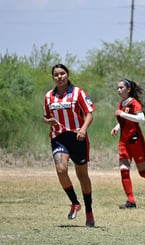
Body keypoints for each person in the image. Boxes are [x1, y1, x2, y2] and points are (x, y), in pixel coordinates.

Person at [43, 64, 96, 227]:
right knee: (61, 170)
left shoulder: (78, 92)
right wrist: (48, 121)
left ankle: (89, 210)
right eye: (56, 75)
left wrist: (83, 129)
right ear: (53, 78)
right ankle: (74, 202)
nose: (59, 77)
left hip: (78, 138)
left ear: (67, 74)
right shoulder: (48, 96)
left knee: (82, 176)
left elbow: (89, 113)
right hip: (59, 137)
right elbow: (46, 116)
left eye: (62, 73)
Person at [110, 79, 145, 209]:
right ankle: (131, 201)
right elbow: (124, 120)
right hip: (124, 142)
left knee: (142, 172)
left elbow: (141, 119)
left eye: (121, 88)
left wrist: (122, 114)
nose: (118, 90)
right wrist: (117, 127)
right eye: (117, 88)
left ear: (128, 90)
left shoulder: (134, 103)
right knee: (124, 170)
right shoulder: (121, 104)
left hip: (135, 141)